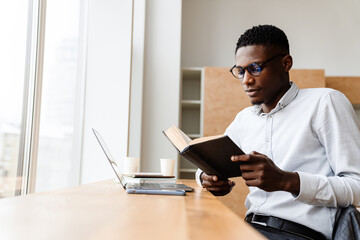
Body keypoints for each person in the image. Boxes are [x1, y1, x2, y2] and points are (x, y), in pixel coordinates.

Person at [195, 25, 360, 240]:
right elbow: (208, 165)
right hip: (248, 229)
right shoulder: (244, 119)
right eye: (240, 71)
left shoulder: (324, 102)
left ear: (286, 63)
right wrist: (206, 177)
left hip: (299, 234)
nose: (246, 80)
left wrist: (286, 181)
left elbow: (356, 186)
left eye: (255, 68)